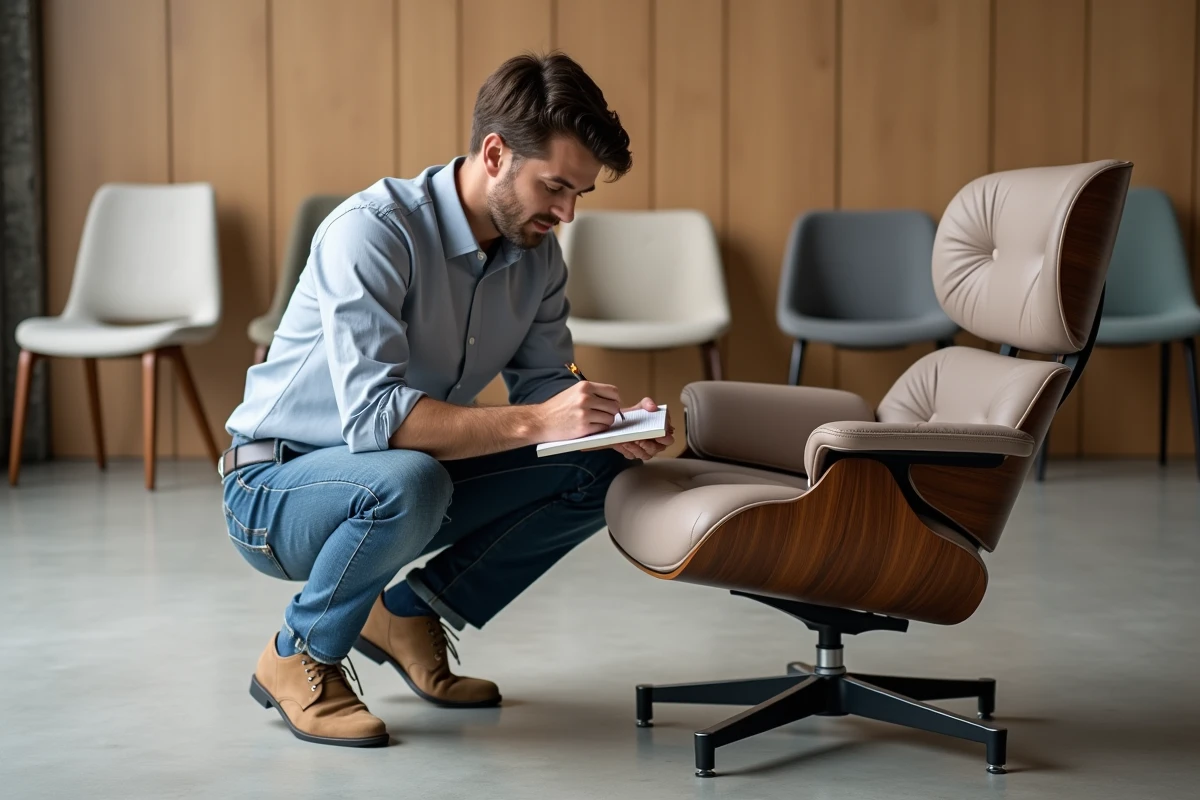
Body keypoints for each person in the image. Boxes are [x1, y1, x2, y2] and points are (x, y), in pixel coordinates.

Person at [220, 51, 674, 748]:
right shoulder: (372, 231)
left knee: (601, 469)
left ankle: (409, 611)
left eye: (580, 194)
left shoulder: (538, 256)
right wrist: (538, 418)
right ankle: (298, 654)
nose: (568, 212)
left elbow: (545, 385)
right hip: (274, 488)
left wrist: (604, 426)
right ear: (495, 153)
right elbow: (376, 421)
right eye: (556, 186)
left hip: (401, 478)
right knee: (410, 481)